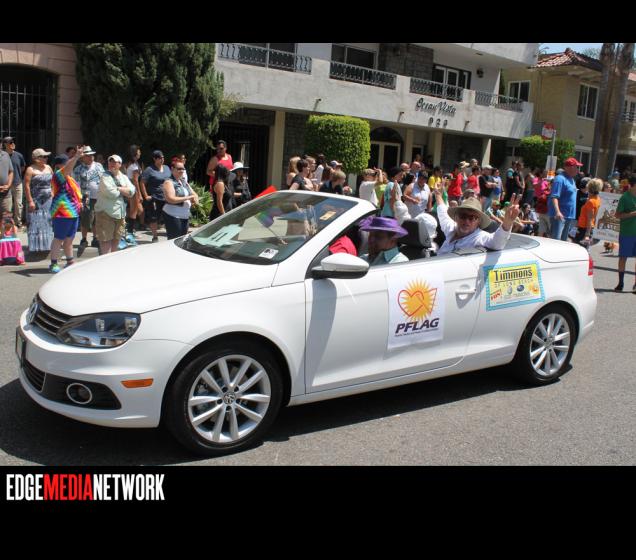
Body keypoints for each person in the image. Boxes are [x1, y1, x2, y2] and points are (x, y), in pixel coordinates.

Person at [431, 182, 520, 255]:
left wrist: (507, 222)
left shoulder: (479, 237)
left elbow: (497, 242)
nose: (466, 221)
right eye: (463, 216)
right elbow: (443, 212)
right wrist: (438, 194)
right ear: (456, 217)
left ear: (478, 221)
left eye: (472, 218)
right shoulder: (451, 228)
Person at [48, 151, 84, 273]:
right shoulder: (58, 175)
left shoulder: (69, 178)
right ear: (59, 165)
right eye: (66, 163)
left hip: (73, 213)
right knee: (59, 238)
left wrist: (79, 202)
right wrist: (76, 157)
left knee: (69, 239)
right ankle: (53, 263)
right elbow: (68, 168)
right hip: (62, 213)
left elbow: (73, 194)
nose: (69, 165)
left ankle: (70, 261)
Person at [95, 155, 135, 255]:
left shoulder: (124, 177)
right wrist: (124, 190)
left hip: (120, 214)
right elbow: (111, 193)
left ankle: (111, 263)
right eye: (110, 161)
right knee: (106, 244)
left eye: (115, 162)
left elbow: (132, 191)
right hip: (105, 214)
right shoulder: (104, 176)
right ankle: (105, 263)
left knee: (116, 243)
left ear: (120, 164)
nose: (112, 164)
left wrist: (119, 188)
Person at [73, 145, 104, 248]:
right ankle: (84, 239)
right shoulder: (78, 169)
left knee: (97, 219)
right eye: (88, 155)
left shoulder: (99, 166)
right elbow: (76, 185)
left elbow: (104, 179)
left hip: (99, 196)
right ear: (83, 157)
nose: (91, 157)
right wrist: (78, 199)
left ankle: (95, 238)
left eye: (92, 155)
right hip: (85, 198)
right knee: (85, 219)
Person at [24, 148, 54, 253]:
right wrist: (30, 201)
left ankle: (47, 245)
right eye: (44, 156)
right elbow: (26, 186)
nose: (46, 158)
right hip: (35, 200)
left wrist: (53, 192)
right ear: (36, 158)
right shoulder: (30, 169)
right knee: (35, 222)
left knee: (47, 221)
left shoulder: (48, 167)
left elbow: (53, 182)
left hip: (48, 200)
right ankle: (35, 247)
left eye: (46, 156)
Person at [162, 160, 199, 239]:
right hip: (173, 215)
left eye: (183, 168)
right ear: (172, 169)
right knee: (174, 240)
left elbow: (194, 194)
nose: (181, 171)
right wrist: (188, 198)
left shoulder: (183, 182)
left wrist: (195, 199)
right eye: (179, 169)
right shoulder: (169, 182)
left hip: (184, 215)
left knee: (182, 240)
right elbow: (171, 199)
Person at [140, 150, 171, 242]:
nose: (162, 160)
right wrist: (146, 195)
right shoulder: (149, 169)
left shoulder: (166, 168)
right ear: (154, 159)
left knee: (168, 216)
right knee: (154, 217)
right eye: (159, 158)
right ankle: (155, 236)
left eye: (163, 158)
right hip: (155, 197)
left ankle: (170, 235)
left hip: (166, 197)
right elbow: (142, 182)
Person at [549, 157, 581, 242]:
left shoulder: (572, 179)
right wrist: (557, 212)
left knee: (563, 242)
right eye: (576, 167)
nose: (578, 170)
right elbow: (554, 196)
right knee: (555, 241)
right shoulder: (559, 179)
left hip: (569, 216)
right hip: (560, 216)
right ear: (569, 168)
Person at [613, 175, 636, 292]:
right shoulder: (625, 197)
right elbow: (617, 215)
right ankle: (620, 283)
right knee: (623, 258)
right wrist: (633, 214)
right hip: (627, 233)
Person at [3, 137, 27, 229]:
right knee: (7, 205)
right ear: (5, 144)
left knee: (18, 204)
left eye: (13, 142)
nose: (13, 144)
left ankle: (18, 223)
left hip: (17, 183)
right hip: (5, 184)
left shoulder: (19, 155)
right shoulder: (2, 156)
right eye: (10, 142)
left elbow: (23, 167)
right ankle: (7, 224)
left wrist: (16, 175)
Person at [124, 145, 144, 244]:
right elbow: (135, 181)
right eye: (138, 152)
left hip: (130, 188)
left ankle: (129, 230)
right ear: (134, 153)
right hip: (133, 189)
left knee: (136, 210)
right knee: (136, 210)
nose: (140, 153)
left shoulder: (131, 164)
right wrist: (139, 194)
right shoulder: (134, 166)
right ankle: (130, 231)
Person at [574, 178, 602, 247]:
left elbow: (590, 219)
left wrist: (587, 235)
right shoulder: (597, 199)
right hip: (586, 227)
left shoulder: (591, 202)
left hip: (584, 229)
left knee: (579, 249)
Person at [0, 144, 14, 218]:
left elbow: (11, 171)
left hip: (6, 194)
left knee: (7, 219)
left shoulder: (6, 155)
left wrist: (8, 185)